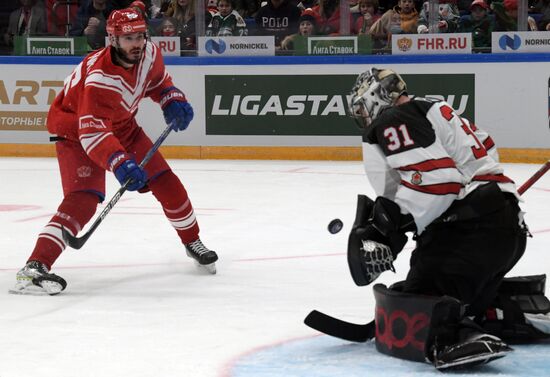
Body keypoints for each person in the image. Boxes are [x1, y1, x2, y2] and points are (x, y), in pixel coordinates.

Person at [346, 67, 550, 369]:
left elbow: (440, 183)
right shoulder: (435, 107)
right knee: (446, 289)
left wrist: (397, 223)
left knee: (419, 297)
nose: (365, 115)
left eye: (364, 106)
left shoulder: (393, 120)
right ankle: (514, 311)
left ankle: (454, 336)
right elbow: (487, 149)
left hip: (469, 234)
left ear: (377, 97)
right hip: (506, 226)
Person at [10, 7, 218, 296]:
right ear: (113, 40)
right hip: (75, 129)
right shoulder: (99, 79)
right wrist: (119, 163)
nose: (136, 43)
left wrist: (172, 100)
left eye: (140, 36)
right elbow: (92, 133)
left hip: (121, 124)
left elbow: (158, 83)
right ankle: (35, 266)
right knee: (83, 200)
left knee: (166, 180)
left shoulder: (149, 54)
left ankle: (192, 241)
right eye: (128, 38)